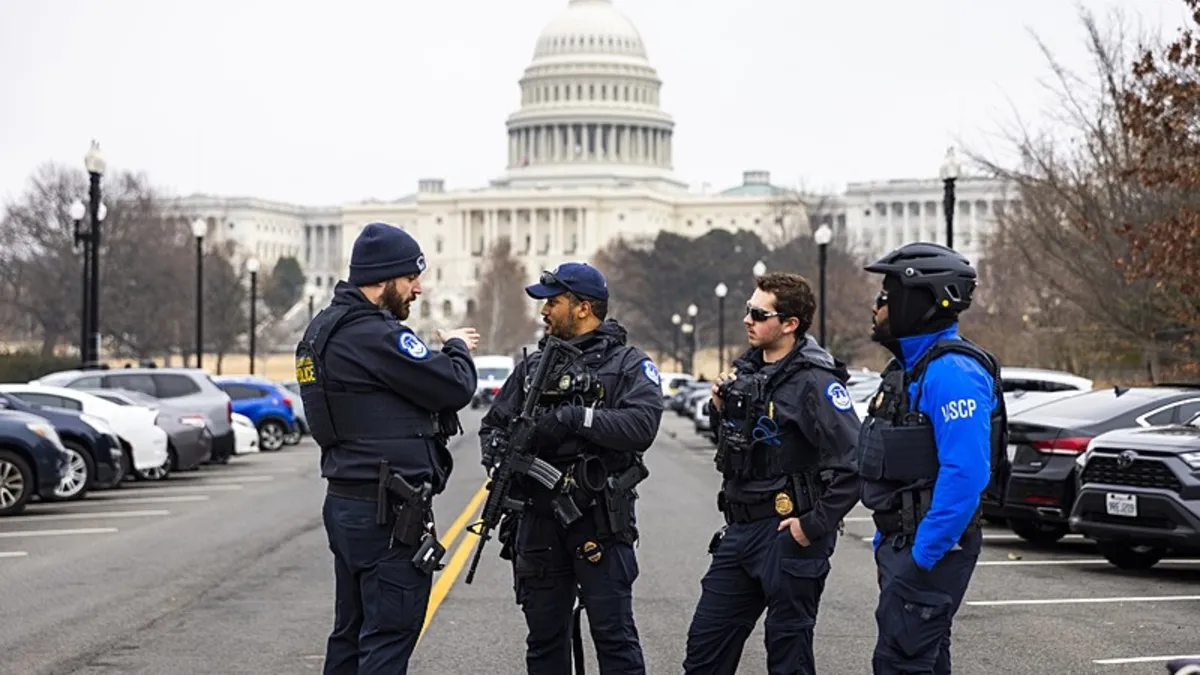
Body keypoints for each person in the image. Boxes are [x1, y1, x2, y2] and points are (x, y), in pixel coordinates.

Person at [296, 221, 480, 675]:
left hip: (347, 500)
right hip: (386, 512)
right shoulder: (374, 335)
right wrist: (456, 348)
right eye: (411, 277)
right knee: (388, 635)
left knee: (351, 632)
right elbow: (454, 387)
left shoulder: (321, 332)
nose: (418, 288)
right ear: (383, 278)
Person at [479, 262, 663, 675]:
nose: (544, 311)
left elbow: (642, 425)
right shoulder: (532, 366)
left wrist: (576, 419)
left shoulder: (626, 363)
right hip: (538, 522)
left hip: (597, 519)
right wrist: (498, 453)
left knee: (614, 638)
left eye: (553, 302)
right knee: (544, 642)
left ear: (583, 307)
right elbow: (493, 424)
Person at [683, 272, 862, 675]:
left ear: (789, 324)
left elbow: (854, 464)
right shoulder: (745, 373)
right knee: (704, 651)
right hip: (740, 530)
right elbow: (737, 452)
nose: (747, 319)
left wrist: (813, 525)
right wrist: (719, 410)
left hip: (787, 534)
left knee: (788, 656)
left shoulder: (816, 380)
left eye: (758, 313)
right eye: (748, 310)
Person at [858, 242, 1006, 674]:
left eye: (886, 296)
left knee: (900, 664)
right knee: (925, 660)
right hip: (904, 543)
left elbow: (966, 475)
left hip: (930, 551)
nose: (877, 307)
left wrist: (922, 556)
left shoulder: (952, 374)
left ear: (920, 300)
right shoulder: (913, 368)